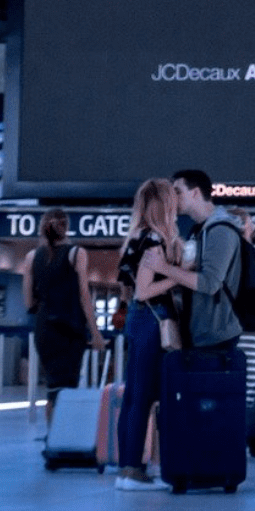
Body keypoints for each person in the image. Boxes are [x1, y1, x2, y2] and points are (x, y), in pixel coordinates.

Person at [113, 179, 184, 490]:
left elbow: (129, 290)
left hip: (137, 321)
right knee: (143, 398)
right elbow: (144, 290)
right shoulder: (154, 240)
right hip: (154, 322)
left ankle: (127, 467)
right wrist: (178, 277)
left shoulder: (134, 239)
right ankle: (133, 470)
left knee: (132, 397)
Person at [143, 169, 242, 362]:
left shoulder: (220, 230)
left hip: (216, 337)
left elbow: (210, 283)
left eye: (178, 191)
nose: (173, 197)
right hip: (203, 334)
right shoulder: (199, 231)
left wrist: (164, 268)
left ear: (195, 192)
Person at [24, 208, 107, 426]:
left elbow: (28, 302)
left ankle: (53, 439)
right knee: (67, 386)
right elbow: (84, 296)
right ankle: (64, 439)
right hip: (70, 330)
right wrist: (96, 333)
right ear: (66, 227)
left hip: (44, 330)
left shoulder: (31, 257)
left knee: (53, 387)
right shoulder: (76, 253)